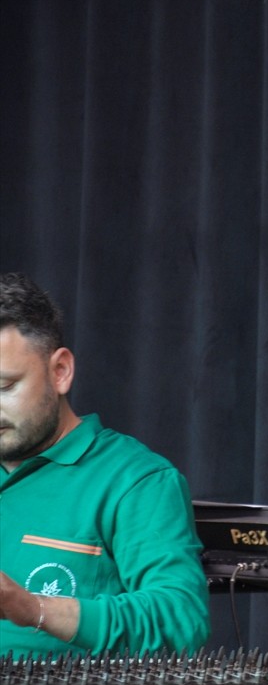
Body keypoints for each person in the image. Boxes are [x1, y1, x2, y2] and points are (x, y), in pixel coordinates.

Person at [0, 272, 210, 656]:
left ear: (60, 371)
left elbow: (181, 621)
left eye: (5, 386)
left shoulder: (136, 481)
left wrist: (31, 608)